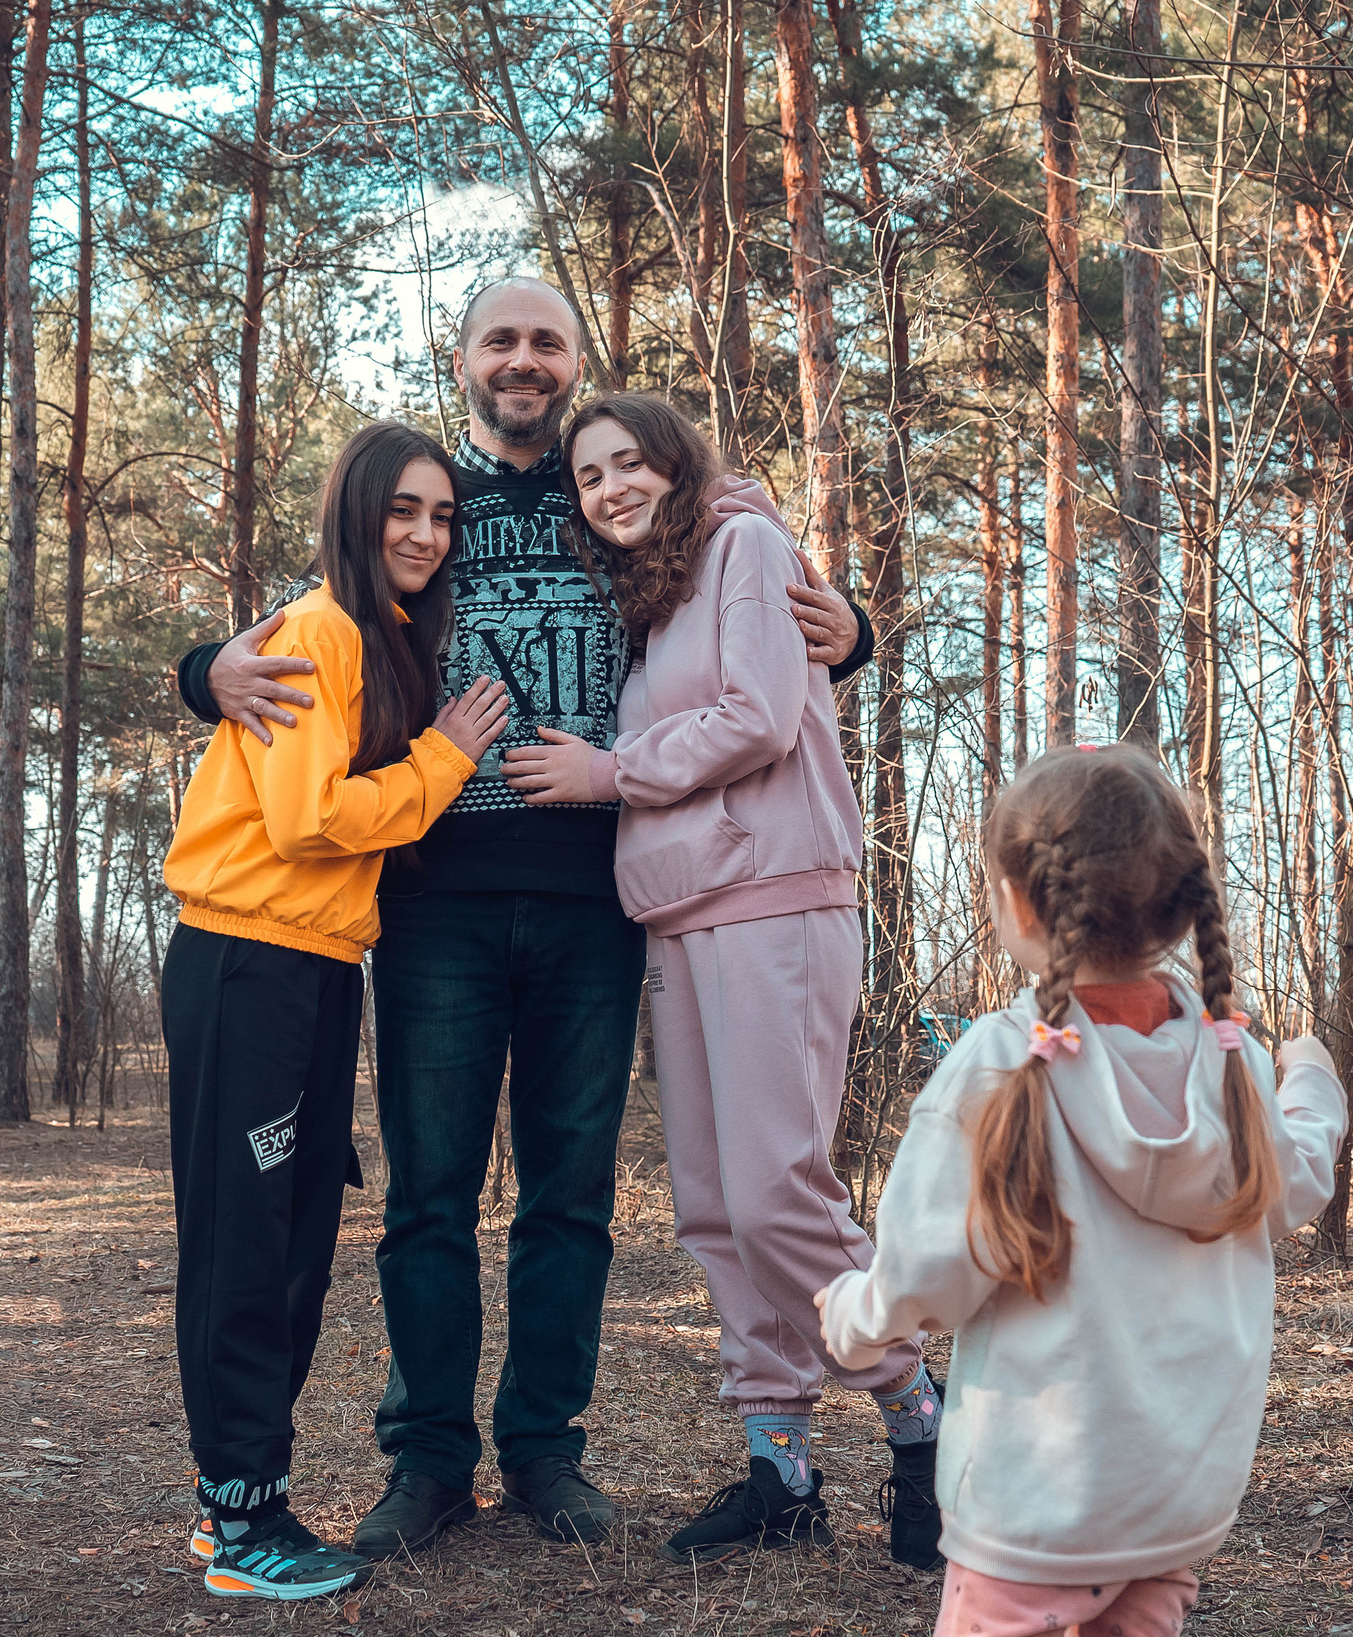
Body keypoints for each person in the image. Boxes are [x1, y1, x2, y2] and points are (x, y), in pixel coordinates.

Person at [175, 279, 877, 1560]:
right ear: (463, 361)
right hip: (433, 901)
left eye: (546, 341)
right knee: (429, 1196)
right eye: (500, 339)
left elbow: (756, 579)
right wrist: (199, 672)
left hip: (595, 902)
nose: (523, 360)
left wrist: (857, 628)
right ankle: (429, 1458)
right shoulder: (422, 500)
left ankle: (546, 1451)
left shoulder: (623, 492)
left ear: (575, 364)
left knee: (570, 1197)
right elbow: (300, 629)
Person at [502, 391, 944, 1568]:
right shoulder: (647, 600)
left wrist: (609, 772)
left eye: (629, 465)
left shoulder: (744, 544)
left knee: (775, 1194)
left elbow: (756, 717)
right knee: (709, 1203)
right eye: (589, 479)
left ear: (676, 465)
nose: (610, 491)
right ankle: (781, 1472)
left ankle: (925, 1425)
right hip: (676, 912)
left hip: (775, 897)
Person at [815, 744, 1347, 1637]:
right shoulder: (1233, 1060)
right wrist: (1312, 1079)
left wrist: (851, 1314)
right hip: (1178, 1489)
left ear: (1022, 903)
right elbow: (1296, 1178)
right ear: (1185, 903)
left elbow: (927, 1272)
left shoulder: (998, 1065)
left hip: (1036, 1492)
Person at [160, 421, 510, 1600]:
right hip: (244, 961)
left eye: (440, 514)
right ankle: (240, 1519)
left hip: (312, 964)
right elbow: (311, 819)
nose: (422, 533)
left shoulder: (377, 640)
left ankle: (242, 1508)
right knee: (243, 1243)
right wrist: (446, 761)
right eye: (400, 510)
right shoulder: (320, 633)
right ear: (353, 520)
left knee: (297, 1236)